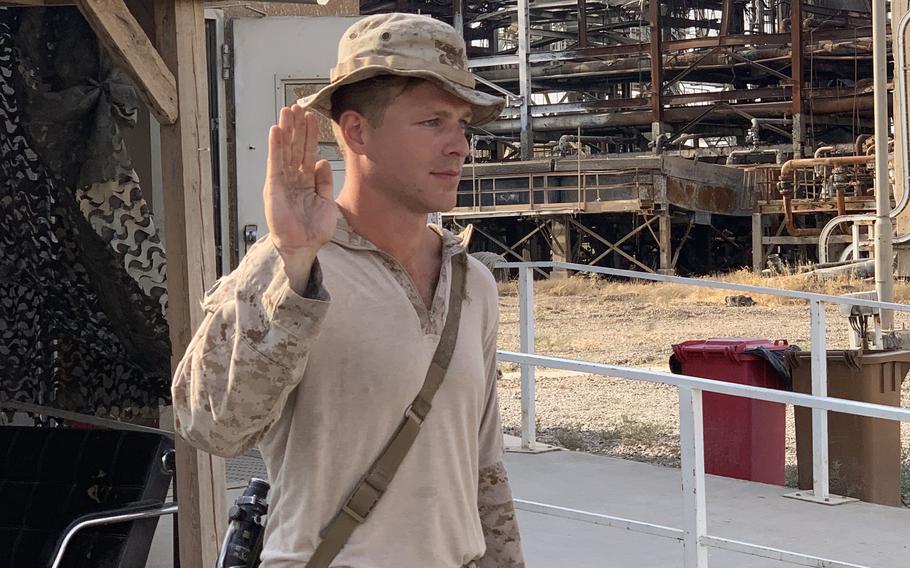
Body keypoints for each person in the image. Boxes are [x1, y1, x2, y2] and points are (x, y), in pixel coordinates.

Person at [172, 12, 525, 568]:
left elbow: (484, 468)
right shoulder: (293, 267)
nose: (459, 145)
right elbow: (211, 426)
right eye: (433, 121)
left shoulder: (470, 283)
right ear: (357, 131)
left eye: (463, 124)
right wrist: (292, 266)